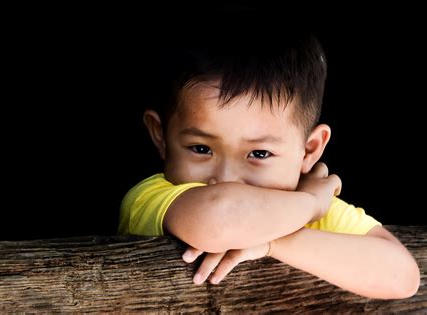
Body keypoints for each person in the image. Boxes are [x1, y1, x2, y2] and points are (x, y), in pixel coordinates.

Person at [118, 23, 420, 299]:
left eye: (259, 154)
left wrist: (275, 244)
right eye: (200, 148)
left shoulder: (301, 207)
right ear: (160, 136)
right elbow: (223, 218)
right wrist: (312, 203)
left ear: (310, 149)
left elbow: (402, 277)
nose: (226, 178)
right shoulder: (152, 198)